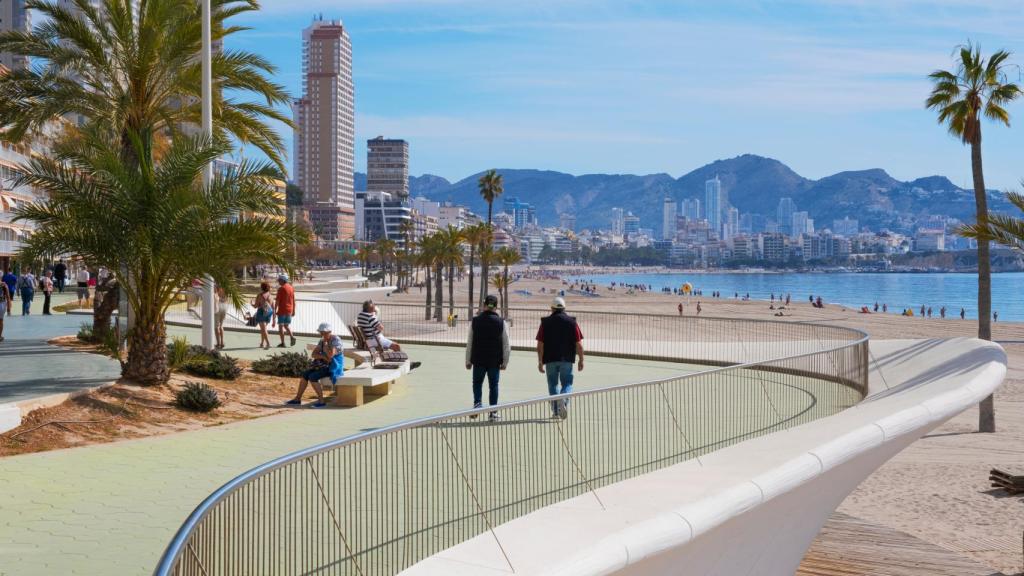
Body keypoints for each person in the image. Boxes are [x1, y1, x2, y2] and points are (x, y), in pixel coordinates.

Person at [536, 296, 584, 419]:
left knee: (552, 384)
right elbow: (578, 344)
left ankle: (556, 411)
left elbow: (540, 344)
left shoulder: (545, 323)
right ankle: (564, 400)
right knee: (567, 383)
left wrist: (540, 361)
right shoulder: (572, 322)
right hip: (567, 359)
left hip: (550, 359)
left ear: (551, 308)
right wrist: (581, 360)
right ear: (564, 308)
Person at [465, 294, 510, 421]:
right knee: (493, 385)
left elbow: (470, 342)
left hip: (478, 359)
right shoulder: (501, 323)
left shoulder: (475, 320)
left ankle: (478, 403)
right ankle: (493, 412)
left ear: (484, 305)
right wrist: (505, 361)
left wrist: (468, 360)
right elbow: (506, 344)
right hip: (494, 361)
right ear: (496, 307)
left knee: (477, 383)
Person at [286, 322, 342, 408]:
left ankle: (321, 401)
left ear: (329, 332)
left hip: (334, 366)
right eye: (321, 332)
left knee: (313, 377)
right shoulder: (322, 340)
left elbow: (331, 356)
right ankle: (297, 399)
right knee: (305, 374)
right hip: (323, 365)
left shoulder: (336, 340)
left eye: (324, 332)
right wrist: (323, 356)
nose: (322, 334)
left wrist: (326, 348)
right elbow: (314, 354)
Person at [274, 274, 297, 348]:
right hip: (289, 310)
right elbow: (293, 300)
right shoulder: (291, 288)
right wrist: (293, 310)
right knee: (286, 325)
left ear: (282, 280)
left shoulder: (281, 289)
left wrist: (275, 310)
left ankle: (283, 343)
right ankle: (292, 336)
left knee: (280, 326)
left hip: (282, 310)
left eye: (279, 280)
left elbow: (277, 301)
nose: (278, 282)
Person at [252, 281, 274, 349]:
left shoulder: (260, 295)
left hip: (262, 312)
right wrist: (274, 318)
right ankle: (262, 343)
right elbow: (273, 306)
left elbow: (255, 306)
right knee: (263, 329)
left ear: (262, 288)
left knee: (263, 329)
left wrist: (252, 303)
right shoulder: (270, 295)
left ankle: (268, 343)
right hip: (269, 312)